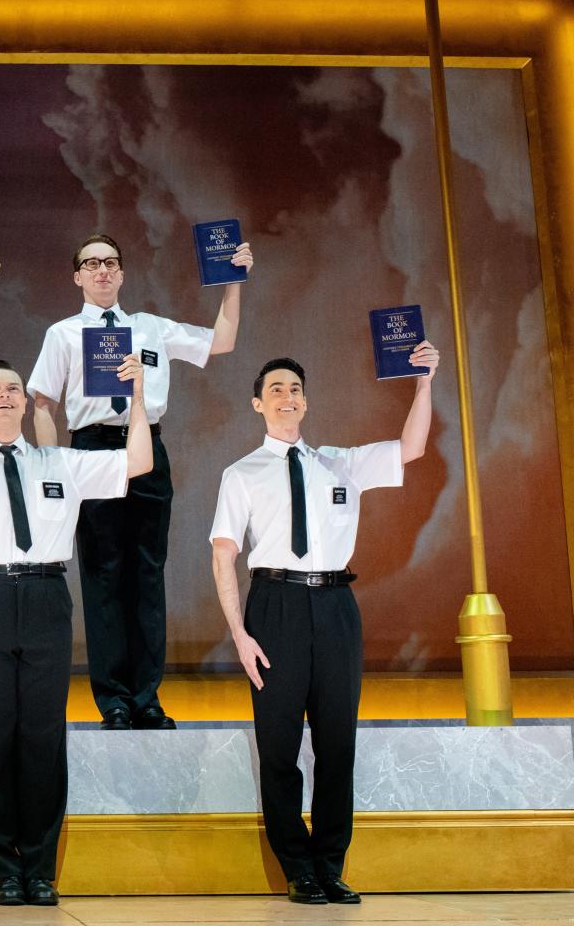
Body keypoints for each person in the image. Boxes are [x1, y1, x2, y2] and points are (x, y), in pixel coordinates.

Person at [0, 357, 152, 907]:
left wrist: (138, 395)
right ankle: (2, 869)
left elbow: (139, 461)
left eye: (13, 388)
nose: (4, 395)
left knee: (43, 736)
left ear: (24, 401)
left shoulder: (60, 462)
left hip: (46, 597)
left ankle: (39, 869)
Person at [208, 341, 440, 905]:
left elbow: (411, 447)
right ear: (258, 404)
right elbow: (223, 554)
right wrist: (240, 634)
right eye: (276, 389)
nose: (287, 397)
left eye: (295, 389)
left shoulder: (341, 462)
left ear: (306, 402)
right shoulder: (241, 473)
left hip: (336, 606)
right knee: (280, 747)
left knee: (338, 745)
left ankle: (331, 865)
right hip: (274, 608)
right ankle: (298, 868)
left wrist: (424, 381)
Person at [28, 233, 252, 729]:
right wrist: (52, 468)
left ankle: (148, 697)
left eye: (111, 262)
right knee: (102, 576)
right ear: (77, 276)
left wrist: (233, 280)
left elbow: (222, 340)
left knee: (148, 575)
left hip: (145, 446)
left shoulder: (151, 327)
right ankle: (113, 699)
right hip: (90, 450)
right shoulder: (63, 333)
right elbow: (42, 402)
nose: (102, 270)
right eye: (92, 264)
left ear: (123, 274)